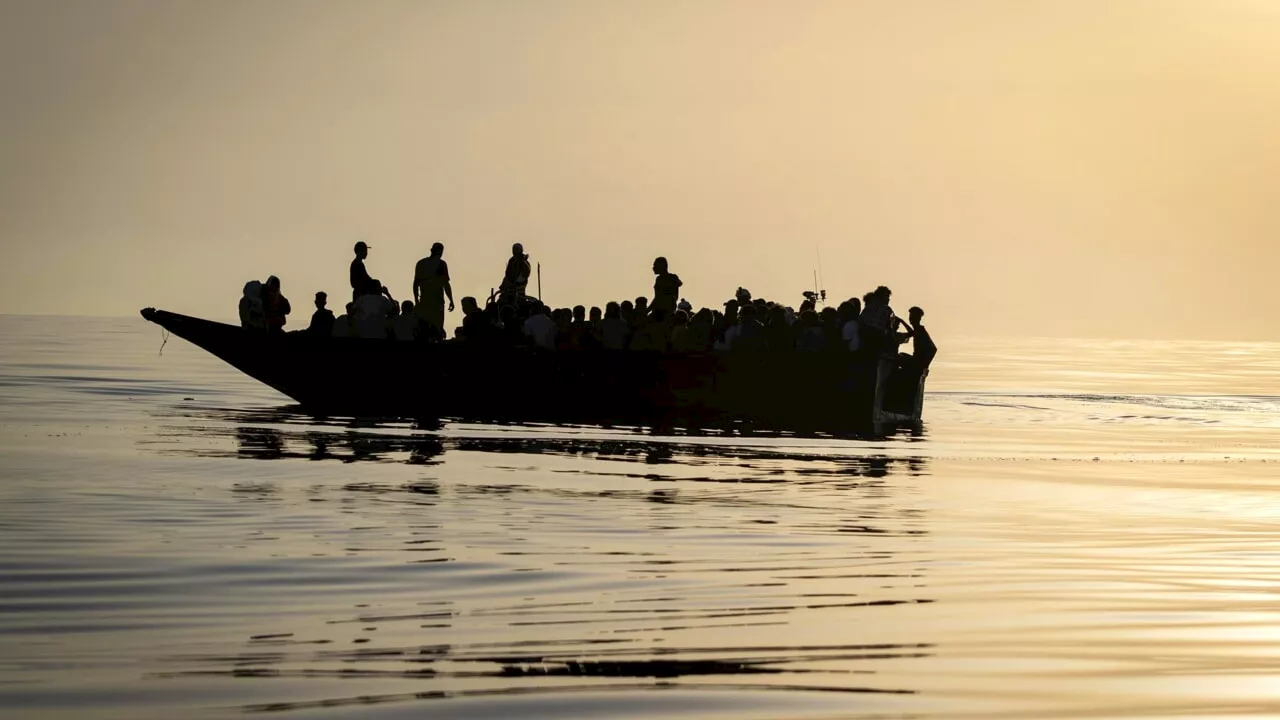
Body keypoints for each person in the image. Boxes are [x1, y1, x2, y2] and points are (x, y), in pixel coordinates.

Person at [413, 242, 454, 340]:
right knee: (437, 327)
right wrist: (451, 300)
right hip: (436, 301)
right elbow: (445, 284)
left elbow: (415, 284)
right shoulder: (441, 264)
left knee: (424, 328)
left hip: (424, 300)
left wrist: (416, 300)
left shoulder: (421, 263)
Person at [901, 306, 937, 371]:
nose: (910, 319)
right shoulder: (917, 330)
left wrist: (925, 365)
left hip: (917, 363)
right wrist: (902, 321)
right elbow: (910, 333)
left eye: (912, 317)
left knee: (897, 357)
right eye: (910, 316)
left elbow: (933, 349)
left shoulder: (920, 332)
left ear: (918, 318)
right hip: (916, 361)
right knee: (901, 355)